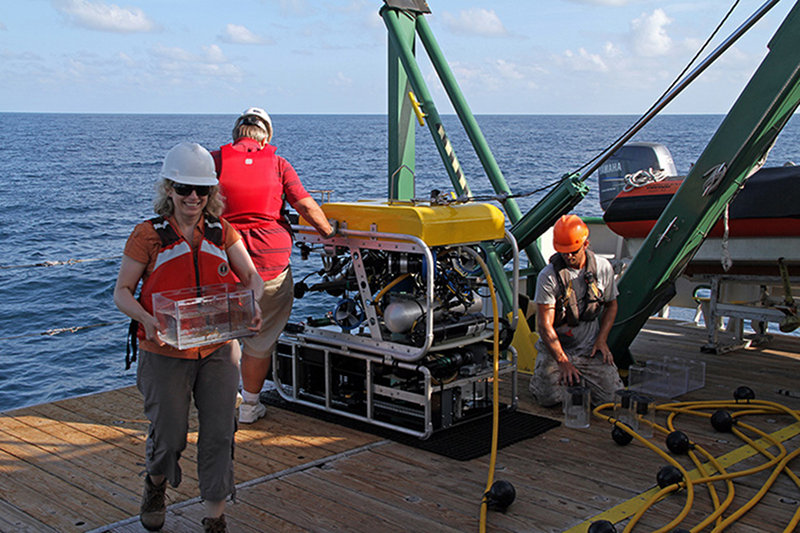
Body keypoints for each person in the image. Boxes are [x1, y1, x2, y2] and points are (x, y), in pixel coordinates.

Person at [114, 142, 264, 533]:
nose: (193, 197)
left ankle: (215, 518)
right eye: (184, 189)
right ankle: (156, 482)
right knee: (170, 435)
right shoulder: (147, 236)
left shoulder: (222, 231)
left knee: (219, 432)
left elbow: (252, 277)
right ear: (169, 190)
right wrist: (147, 319)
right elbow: (122, 292)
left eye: (202, 190)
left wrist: (255, 302)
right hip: (163, 350)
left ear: (212, 193)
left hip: (217, 348)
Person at [211, 107, 335, 424]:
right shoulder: (278, 164)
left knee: (223, 334)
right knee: (260, 339)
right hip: (270, 265)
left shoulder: (215, 161)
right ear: (267, 136)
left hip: (224, 264)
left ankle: (221, 400)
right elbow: (305, 205)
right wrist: (329, 233)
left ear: (236, 134)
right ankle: (250, 407)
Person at [529, 214, 623, 407]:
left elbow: (611, 305)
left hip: (589, 349)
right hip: (556, 351)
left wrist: (602, 340)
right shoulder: (548, 276)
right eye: (564, 252)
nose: (569, 256)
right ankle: (541, 382)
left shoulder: (603, 268)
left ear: (585, 244)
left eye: (573, 251)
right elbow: (544, 326)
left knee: (612, 398)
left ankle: (581, 379)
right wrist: (563, 361)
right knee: (549, 399)